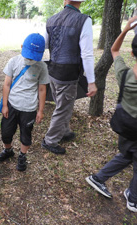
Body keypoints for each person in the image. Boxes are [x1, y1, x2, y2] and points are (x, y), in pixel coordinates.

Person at [86, 16, 137, 213]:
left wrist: (125, 30)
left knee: (126, 154)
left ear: (132, 52)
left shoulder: (123, 73)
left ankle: (98, 178)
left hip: (125, 125)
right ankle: (133, 199)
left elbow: (114, 50)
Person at [41, 0, 97, 155]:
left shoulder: (51, 19)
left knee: (62, 104)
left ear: (65, 1)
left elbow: (44, 44)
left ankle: (64, 131)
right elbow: (86, 54)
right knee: (63, 108)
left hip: (52, 71)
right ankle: (49, 140)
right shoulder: (84, 20)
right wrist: (91, 82)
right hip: (68, 74)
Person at [0, 33, 49, 172]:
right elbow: (7, 84)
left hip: (29, 108)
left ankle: (22, 156)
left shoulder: (42, 67)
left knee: (26, 134)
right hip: (12, 105)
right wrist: (5, 105)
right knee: (6, 132)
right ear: (21, 47)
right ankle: (8, 150)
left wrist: (40, 110)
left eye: (34, 57)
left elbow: (42, 89)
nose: (30, 59)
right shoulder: (14, 61)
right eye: (28, 56)